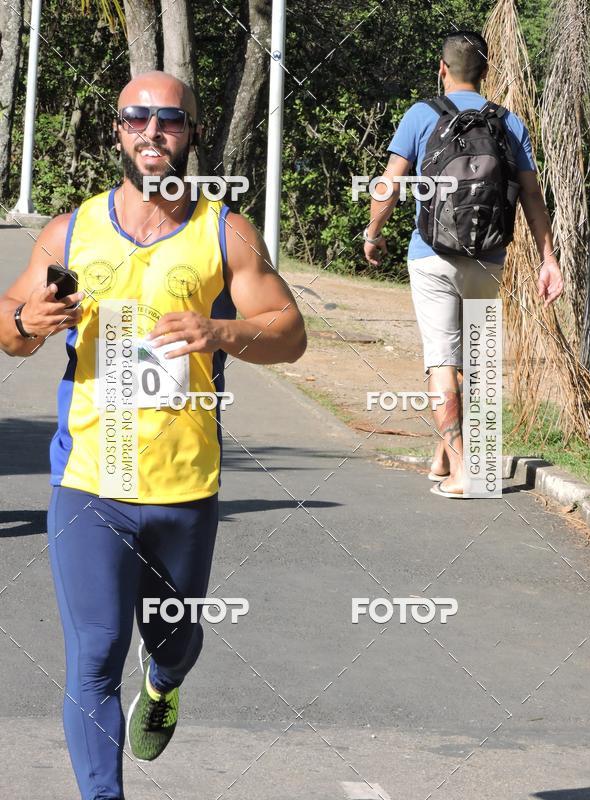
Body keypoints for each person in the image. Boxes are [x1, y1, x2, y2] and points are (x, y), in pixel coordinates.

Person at [0, 70, 306, 799]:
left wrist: (220, 331)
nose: (151, 132)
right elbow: (11, 325)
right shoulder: (70, 231)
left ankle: (164, 684)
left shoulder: (224, 232)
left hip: (184, 483)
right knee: (95, 656)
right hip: (89, 480)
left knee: (172, 643)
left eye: (168, 119)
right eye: (135, 118)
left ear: (191, 132)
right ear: (117, 131)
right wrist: (23, 322)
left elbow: (290, 334)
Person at [363, 30, 563, 498]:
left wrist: (373, 233)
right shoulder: (508, 122)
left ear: (442, 69)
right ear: (486, 72)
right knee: (478, 361)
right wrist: (548, 258)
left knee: (441, 360)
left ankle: (463, 471)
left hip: (431, 254)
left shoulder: (421, 115)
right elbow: (532, 195)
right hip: (488, 257)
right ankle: (447, 455)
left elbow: (389, 184)